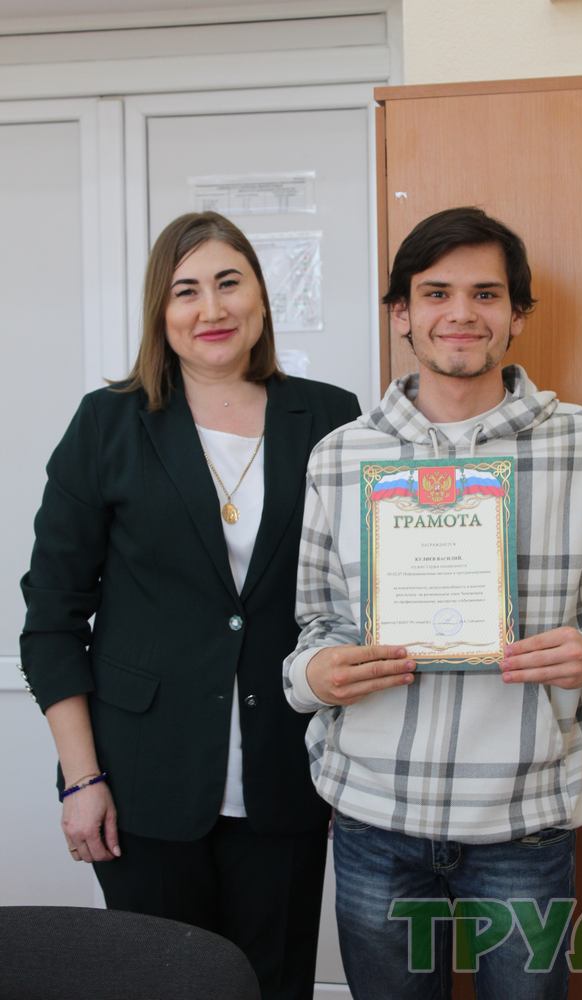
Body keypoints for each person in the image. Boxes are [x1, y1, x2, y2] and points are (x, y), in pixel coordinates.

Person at [283, 206, 582, 999]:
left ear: (517, 314)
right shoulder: (339, 456)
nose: (460, 313)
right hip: (373, 817)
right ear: (400, 313)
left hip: (523, 822)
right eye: (436, 293)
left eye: (485, 294)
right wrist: (316, 674)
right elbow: (316, 623)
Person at [20, 211, 360, 1000]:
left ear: (261, 298)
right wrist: (81, 779)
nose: (211, 308)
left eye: (228, 283)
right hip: (140, 782)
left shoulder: (331, 418)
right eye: (186, 290)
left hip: (287, 777)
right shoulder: (108, 424)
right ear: (160, 312)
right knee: (160, 984)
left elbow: (360, 591)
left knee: (273, 985)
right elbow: (52, 618)